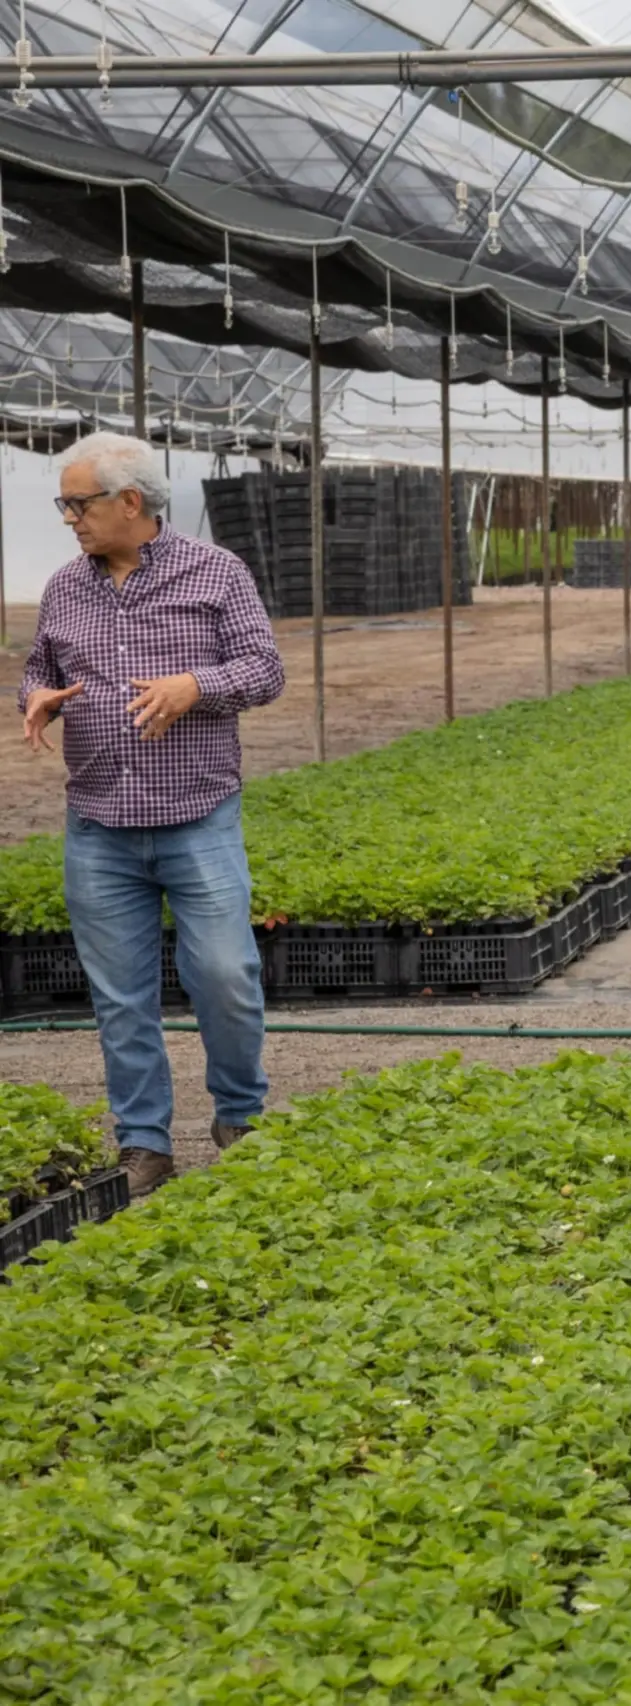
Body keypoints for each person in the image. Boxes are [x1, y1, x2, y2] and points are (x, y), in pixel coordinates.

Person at [17, 432, 286, 1198]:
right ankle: (144, 1144)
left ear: (129, 502)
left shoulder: (216, 573)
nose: (69, 517)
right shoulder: (67, 587)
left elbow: (264, 670)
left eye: (78, 503)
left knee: (224, 973)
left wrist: (195, 686)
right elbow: (41, 668)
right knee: (120, 995)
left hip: (196, 815)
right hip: (98, 824)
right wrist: (34, 697)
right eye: (64, 503)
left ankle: (239, 1115)